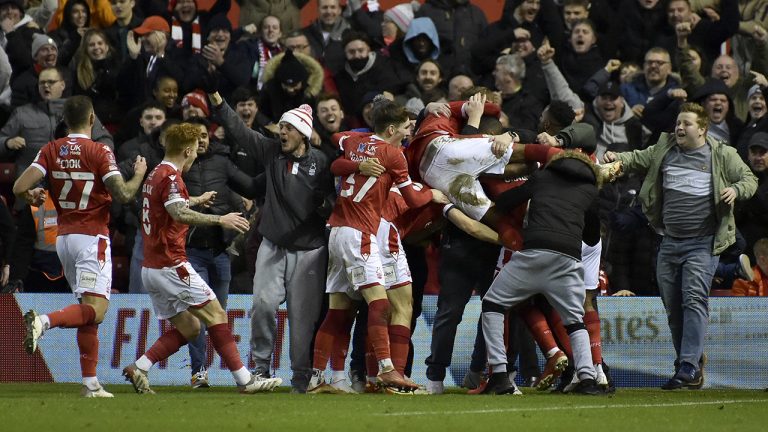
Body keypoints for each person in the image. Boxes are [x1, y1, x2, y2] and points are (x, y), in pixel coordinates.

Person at [604, 102, 757, 390]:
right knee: (673, 308)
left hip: (703, 243)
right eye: (678, 122)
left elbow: (750, 179)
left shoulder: (722, 154)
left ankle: (686, 366)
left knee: (693, 300)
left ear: (702, 129)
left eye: (686, 123)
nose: (679, 128)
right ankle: (691, 363)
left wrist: (735, 190)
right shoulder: (665, 148)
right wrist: (617, 158)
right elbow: (636, 158)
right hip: (669, 241)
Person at [121, 122, 281, 394]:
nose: (196, 154)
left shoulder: (156, 173)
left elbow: (169, 206)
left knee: (191, 327)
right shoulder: (171, 177)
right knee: (216, 313)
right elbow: (178, 214)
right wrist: (221, 218)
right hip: (171, 264)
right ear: (186, 151)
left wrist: (195, 199)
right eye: (194, 150)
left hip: (153, 266)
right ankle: (246, 380)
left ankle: (140, 366)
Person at [308, 97, 448, 393]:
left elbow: (336, 157)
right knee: (381, 303)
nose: (409, 133)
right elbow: (412, 200)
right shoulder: (393, 154)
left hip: (336, 231)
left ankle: (317, 379)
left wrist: (356, 162)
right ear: (392, 128)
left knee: (337, 311)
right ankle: (386, 370)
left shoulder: (354, 140)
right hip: (361, 233)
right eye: (406, 128)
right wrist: (432, 195)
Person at [14, 95, 147, 397]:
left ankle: (90, 383)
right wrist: (139, 173)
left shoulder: (51, 149)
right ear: (91, 119)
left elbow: (18, 186)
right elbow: (124, 194)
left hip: (63, 240)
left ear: (64, 121)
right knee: (96, 310)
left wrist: (32, 195)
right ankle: (44, 321)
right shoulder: (99, 150)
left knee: (87, 310)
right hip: (92, 239)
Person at [209, 89, 334, 394]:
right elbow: (240, 132)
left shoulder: (321, 162)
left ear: (303, 133)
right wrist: (219, 102)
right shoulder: (271, 153)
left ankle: (301, 377)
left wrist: (324, 206)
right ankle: (261, 367)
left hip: (309, 251)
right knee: (263, 305)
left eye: (288, 127)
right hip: (273, 245)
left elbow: (334, 203)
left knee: (303, 319)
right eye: (281, 126)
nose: (282, 132)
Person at [480, 146, 603, 395]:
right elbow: (591, 237)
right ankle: (588, 379)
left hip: (534, 252)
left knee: (492, 305)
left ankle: (500, 375)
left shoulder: (543, 176)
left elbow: (506, 202)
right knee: (574, 322)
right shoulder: (589, 190)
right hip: (567, 259)